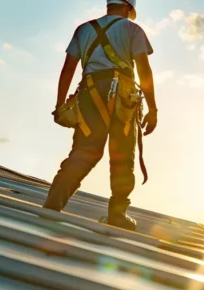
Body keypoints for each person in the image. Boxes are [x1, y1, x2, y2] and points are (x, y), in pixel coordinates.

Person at [44, 0, 159, 231]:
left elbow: (68, 69)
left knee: (84, 152)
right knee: (122, 156)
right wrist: (153, 108)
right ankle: (117, 214)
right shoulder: (132, 29)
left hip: (90, 94)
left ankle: (52, 205)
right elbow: (144, 71)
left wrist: (59, 105)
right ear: (129, 8)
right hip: (123, 98)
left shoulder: (83, 29)